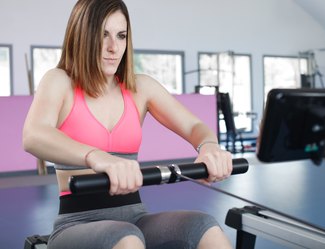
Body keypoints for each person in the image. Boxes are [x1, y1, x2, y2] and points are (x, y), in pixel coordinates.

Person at [22, 0, 234, 249]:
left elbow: (194, 126)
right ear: (82, 35)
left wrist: (208, 146)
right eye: (103, 35)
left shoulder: (140, 88)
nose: (113, 47)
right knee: (126, 239)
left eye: (121, 36)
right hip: (77, 223)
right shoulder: (59, 81)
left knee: (205, 226)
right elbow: (33, 135)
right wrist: (96, 157)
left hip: (136, 218)